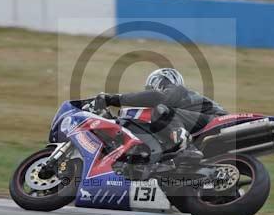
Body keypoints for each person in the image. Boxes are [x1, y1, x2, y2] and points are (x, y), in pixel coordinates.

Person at [96, 68, 228, 162]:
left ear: (160, 81)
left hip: (217, 119)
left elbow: (157, 97)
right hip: (209, 127)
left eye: (150, 87)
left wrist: (112, 99)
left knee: (161, 110)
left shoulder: (177, 90)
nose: (149, 92)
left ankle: (187, 148)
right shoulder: (181, 102)